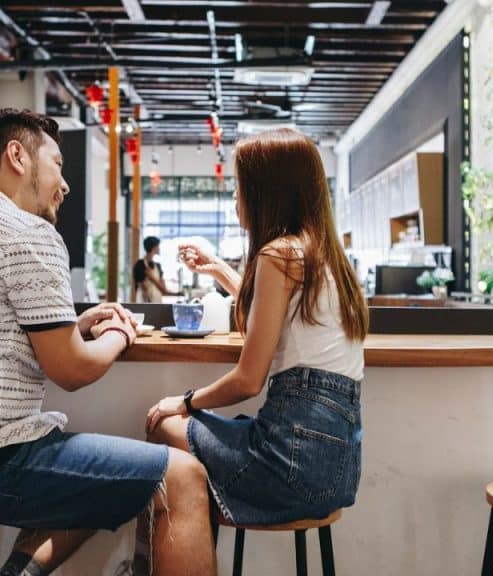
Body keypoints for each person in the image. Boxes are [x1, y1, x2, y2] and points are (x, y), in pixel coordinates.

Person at [0, 108, 215, 576]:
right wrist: (120, 333)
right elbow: (73, 371)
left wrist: (72, 326)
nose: (66, 183)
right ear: (17, 156)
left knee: (90, 480)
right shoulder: (29, 232)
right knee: (182, 477)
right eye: (58, 164)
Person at [145, 128, 368, 527]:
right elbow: (273, 311)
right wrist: (219, 269)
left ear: (268, 192)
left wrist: (186, 400)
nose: (235, 198)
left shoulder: (277, 254)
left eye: (239, 187)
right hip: (337, 472)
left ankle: (172, 564)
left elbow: (248, 380)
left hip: (289, 465)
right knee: (198, 463)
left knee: (165, 424)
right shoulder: (326, 256)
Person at [132, 236, 178, 303]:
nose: (159, 248)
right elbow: (141, 286)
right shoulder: (140, 265)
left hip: (157, 301)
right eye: (158, 246)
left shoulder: (158, 266)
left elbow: (163, 289)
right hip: (144, 302)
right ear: (153, 247)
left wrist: (152, 277)